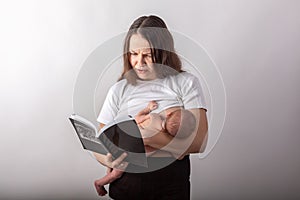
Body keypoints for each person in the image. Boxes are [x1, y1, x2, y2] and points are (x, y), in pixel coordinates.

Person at [93, 15, 208, 200]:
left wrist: (148, 138)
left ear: (163, 52)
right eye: (133, 54)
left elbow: (199, 142)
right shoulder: (119, 90)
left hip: (170, 182)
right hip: (126, 183)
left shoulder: (185, 83)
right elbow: (101, 141)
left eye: (147, 54)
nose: (139, 62)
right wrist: (106, 159)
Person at [94, 100, 197, 196]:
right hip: (133, 154)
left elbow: (138, 118)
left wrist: (148, 108)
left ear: (168, 115)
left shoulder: (154, 117)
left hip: (128, 147)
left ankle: (103, 177)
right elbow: (180, 156)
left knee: (114, 165)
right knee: (116, 173)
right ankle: (100, 181)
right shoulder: (167, 143)